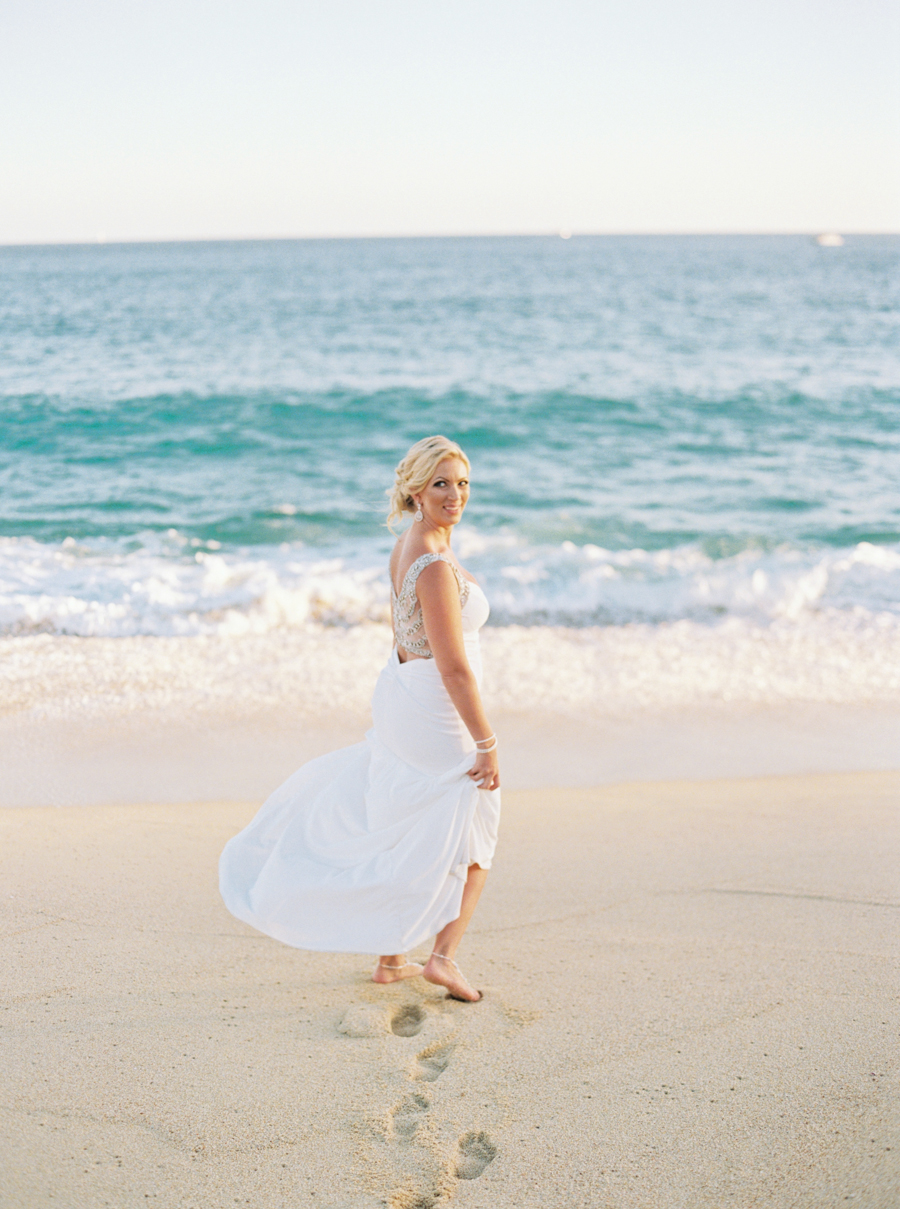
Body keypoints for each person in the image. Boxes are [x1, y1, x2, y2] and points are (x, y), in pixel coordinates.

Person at [219, 435, 500, 1003]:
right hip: (431, 704)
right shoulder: (435, 565)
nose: (455, 494)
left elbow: (404, 635)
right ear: (416, 489)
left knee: (405, 816)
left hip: (400, 691)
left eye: (463, 482)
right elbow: (454, 668)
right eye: (442, 482)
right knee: (474, 821)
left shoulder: (407, 544)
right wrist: (487, 742)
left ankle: (391, 956)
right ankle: (441, 958)